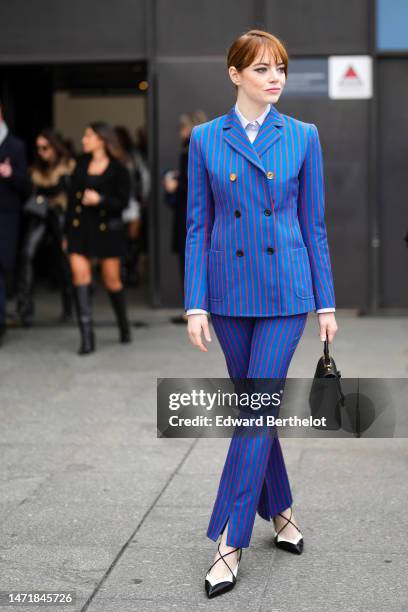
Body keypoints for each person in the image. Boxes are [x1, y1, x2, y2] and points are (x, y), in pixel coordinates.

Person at [184, 29, 338, 598]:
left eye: (280, 69)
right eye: (262, 69)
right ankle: (283, 514)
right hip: (226, 296)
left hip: (284, 294)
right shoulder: (205, 138)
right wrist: (195, 302)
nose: (274, 78)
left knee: (254, 408)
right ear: (235, 74)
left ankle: (228, 538)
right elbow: (198, 225)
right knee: (258, 406)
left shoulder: (302, 135)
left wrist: (325, 301)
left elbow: (314, 225)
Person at [63, 122, 132, 355]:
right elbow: (71, 203)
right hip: (79, 229)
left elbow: (123, 202)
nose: (84, 140)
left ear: (102, 139)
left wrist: (100, 200)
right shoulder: (80, 166)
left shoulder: (119, 169)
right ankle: (87, 338)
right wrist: (65, 233)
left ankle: (124, 326)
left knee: (112, 280)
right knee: (79, 278)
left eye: (88, 136)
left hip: (107, 232)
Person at [16, 129, 76, 326]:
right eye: (38, 148)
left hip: (60, 216)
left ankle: (69, 308)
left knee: (63, 260)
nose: (41, 152)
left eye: (45, 147)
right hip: (40, 216)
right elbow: (30, 191)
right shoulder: (35, 170)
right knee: (27, 253)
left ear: (54, 147)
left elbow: (68, 194)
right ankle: (25, 308)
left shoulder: (68, 165)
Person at [163, 110, 207, 324]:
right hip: (201, 217)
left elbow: (191, 187)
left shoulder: (190, 152)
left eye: (183, 127)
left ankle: (193, 308)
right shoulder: (207, 149)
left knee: (189, 260)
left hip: (189, 217)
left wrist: (174, 185)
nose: (180, 132)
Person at [0, 98, 30, 346]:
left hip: (6, 218)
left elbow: (26, 185)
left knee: (2, 269)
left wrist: (10, 174)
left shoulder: (16, 146)